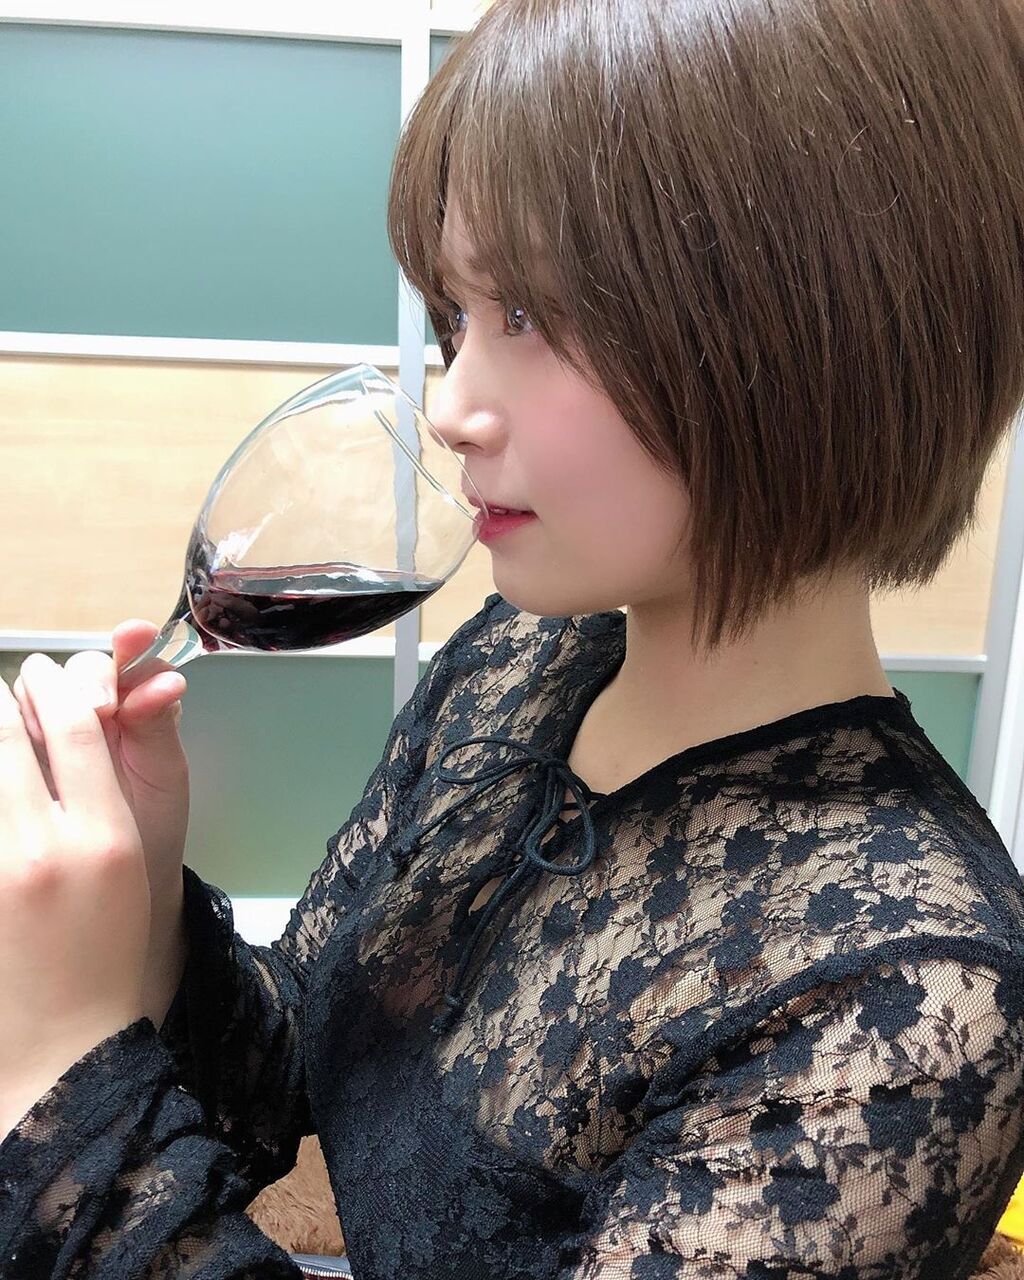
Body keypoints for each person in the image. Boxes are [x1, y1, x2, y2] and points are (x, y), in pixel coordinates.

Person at [2, 0, 1024, 1275]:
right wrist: (146, 888)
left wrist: (56, 1074)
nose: (451, 406)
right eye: (457, 314)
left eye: (531, 315)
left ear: (813, 330)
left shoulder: (905, 993)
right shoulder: (519, 665)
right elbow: (294, 1063)